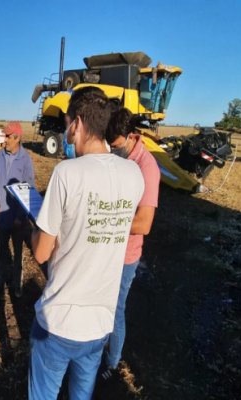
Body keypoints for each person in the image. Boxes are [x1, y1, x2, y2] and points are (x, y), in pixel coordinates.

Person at [28, 87, 144, 399]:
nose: (66, 131)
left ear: (77, 123)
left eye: (66, 123)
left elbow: (41, 251)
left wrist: (35, 227)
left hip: (59, 323)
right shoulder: (134, 174)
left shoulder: (66, 173)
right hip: (99, 324)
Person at [100, 108, 161, 380]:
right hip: (107, 248)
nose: (112, 152)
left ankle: (112, 364)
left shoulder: (147, 167)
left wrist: (103, 221)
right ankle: (100, 349)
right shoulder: (118, 159)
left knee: (116, 310)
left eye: (115, 147)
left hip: (125, 255)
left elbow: (143, 223)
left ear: (131, 136)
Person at [0, 121, 35, 297]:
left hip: (17, 218)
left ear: (17, 138)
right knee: (1, 251)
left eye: (8, 136)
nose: (5, 139)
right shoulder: (0, 155)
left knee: (17, 253)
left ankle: (17, 284)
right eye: (5, 136)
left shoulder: (26, 160)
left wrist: (20, 215)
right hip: (1, 214)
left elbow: (29, 189)